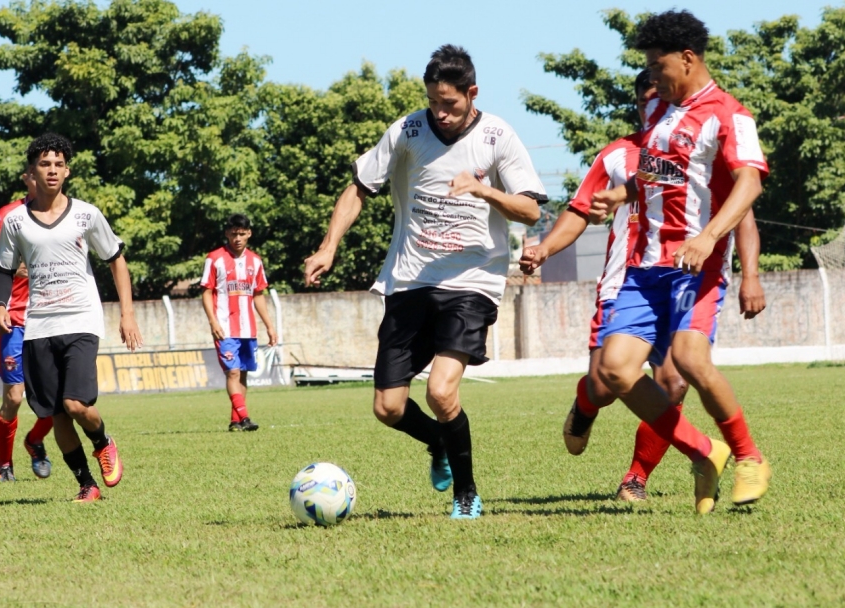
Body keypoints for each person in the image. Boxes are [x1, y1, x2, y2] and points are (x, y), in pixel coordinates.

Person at [304, 45, 548, 519]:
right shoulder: (408, 130)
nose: (441, 112)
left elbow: (531, 209)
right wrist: (329, 245)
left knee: (440, 391)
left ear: (472, 93)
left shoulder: (498, 136)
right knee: (389, 407)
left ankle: (468, 492)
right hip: (410, 280)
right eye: (434, 101)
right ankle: (439, 441)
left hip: (471, 281)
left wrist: (483, 188)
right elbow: (359, 188)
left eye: (450, 104)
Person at [521, 69, 767, 503]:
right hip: (627, 280)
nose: (656, 104)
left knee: (674, 381)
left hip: (688, 273)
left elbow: (743, 209)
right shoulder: (618, 154)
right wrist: (545, 248)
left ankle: (639, 476)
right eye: (646, 99)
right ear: (638, 104)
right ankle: (585, 402)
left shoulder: (700, 143)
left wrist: (751, 274)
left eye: (662, 95)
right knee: (605, 380)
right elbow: (580, 209)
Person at [592, 9, 772, 513]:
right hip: (645, 267)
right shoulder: (658, 114)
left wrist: (709, 237)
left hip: (697, 265)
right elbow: (658, 175)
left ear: (688, 59)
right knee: (615, 371)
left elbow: (750, 183)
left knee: (689, 362)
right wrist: (622, 194)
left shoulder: (729, 114)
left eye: (657, 65)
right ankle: (702, 449)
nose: (652, 76)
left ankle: (748, 456)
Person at [0, 133, 142, 502]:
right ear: (32, 171)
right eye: (45, 164)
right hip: (38, 325)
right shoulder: (15, 221)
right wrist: (0, 305)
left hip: (81, 321)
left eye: (59, 164)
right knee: (57, 415)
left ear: (68, 170)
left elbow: (116, 259)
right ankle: (86, 485)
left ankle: (103, 440)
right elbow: (4, 268)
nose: (53, 170)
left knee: (77, 405)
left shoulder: (86, 214)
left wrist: (127, 313)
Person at [0, 170, 53, 482]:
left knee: (59, 400)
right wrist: (13, 270)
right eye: (38, 171)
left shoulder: (65, 214)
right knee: (15, 397)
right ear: (27, 177)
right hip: (16, 320)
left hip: (53, 319)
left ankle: (34, 440)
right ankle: (4, 465)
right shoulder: (7, 216)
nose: (47, 176)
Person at [200, 213, 278, 432]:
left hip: (248, 329)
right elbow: (206, 292)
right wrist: (213, 321)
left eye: (242, 234)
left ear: (249, 234)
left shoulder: (255, 261)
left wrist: (270, 325)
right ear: (227, 233)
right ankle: (244, 417)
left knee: (242, 372)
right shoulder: (214, 258)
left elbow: (258, 295)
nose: (237, 238)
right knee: (232, 372)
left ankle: (235, 421)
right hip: (224, 327)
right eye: (234, 234)